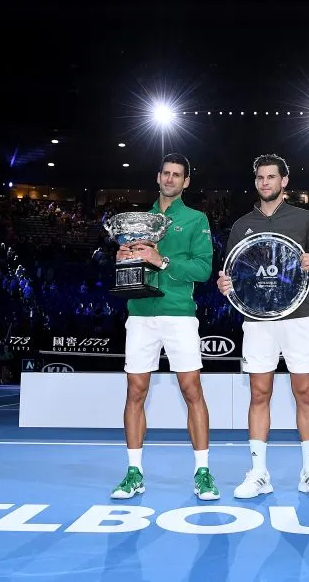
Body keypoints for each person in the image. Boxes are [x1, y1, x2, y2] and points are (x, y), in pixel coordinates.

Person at [217, 153, 309, 498]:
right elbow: (233, 274)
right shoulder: (241, 226)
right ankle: (258, 473)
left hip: (300, 318)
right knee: (259, 394)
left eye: (272, 177)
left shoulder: (305, 219)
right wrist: (225, 285)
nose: (265, 183)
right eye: (260, 178)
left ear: (284, 182)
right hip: (257, 322)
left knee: (305, 394)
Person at [110, 153, 220, 501]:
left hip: (178, 312)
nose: (171, 179)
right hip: (140, 311)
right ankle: (133, 472)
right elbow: (130, 257)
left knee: (192, 391)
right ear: (158, 177)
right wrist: (125, 258)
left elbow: (203, 270)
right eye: (166, 173)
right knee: (135, 391)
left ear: (186, 182)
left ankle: (203, 472)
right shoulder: (137, 221)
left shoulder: (196, 219)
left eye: (177, 175)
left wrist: (163, 260)